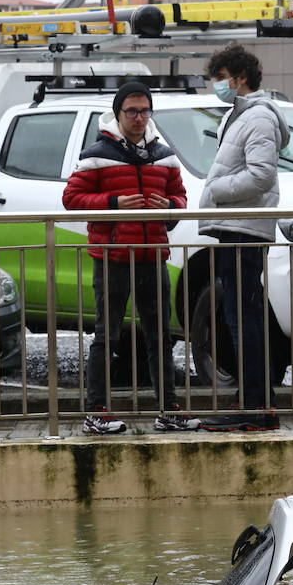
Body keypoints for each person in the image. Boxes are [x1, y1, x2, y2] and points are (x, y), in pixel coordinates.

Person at [62, 81, 198, 435]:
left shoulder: (164, 155)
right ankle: (97, 411)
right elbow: (71, 199)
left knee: (159, 336)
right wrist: (112, 204)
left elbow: (180, 200)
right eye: (131, 111)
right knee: (107, 335)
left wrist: (170, 208)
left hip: (152, 254)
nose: (139, 117)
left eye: (144, 111)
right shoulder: (96, 153)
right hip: (112, 255)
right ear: (118, 114)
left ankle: (169, 409)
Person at [195, 44, 290, 432]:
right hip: (238, 227)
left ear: (240, 77)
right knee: (241, 315)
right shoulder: (241, 116)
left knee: (243, 318)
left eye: (220, 79)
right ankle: (253, 399)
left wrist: (216, 189)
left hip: (244, 229)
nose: (217, 86)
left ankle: (255, 403)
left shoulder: (258, 118)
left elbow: (261, 174)